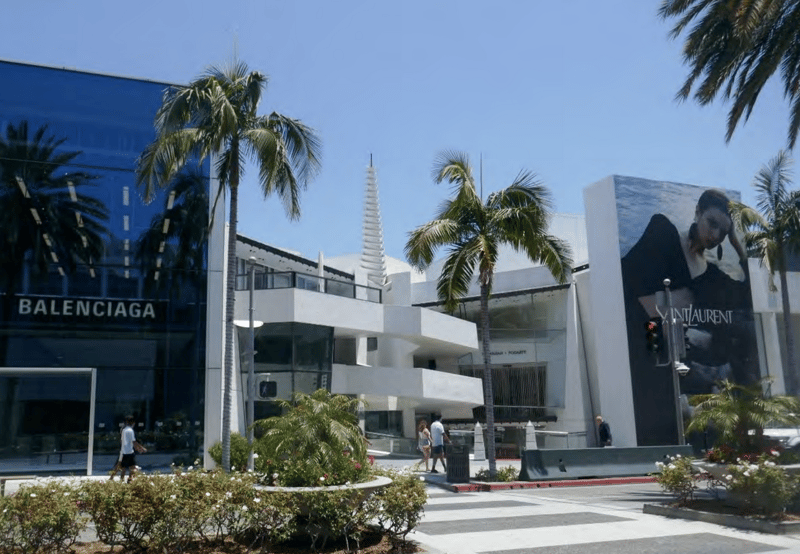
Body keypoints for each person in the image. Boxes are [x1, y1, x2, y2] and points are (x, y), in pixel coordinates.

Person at [620, 188, 758, 445]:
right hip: (639, 353)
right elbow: (627, 282)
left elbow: (747, 295)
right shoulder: (662, 232)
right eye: (712, 223)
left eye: (724, 232)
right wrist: (667, 306)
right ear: (697, 212)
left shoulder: (713, 278)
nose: (715, 235)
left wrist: (738, 247)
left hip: (674, 370)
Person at [116, 415, 146, 482]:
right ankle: (130, 479)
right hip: (129, 451)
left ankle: (121, 480)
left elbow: (122, 441)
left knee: (123, 468)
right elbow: (134, 442)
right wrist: (141, 448)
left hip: (124, 451)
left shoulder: (124, 430)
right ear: (132, 422)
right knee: (133, 467)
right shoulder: (130, 431)